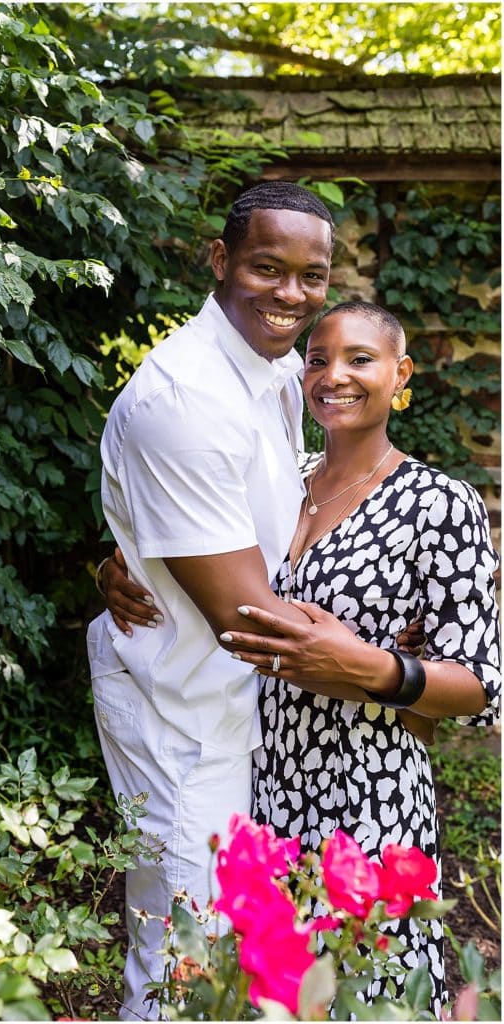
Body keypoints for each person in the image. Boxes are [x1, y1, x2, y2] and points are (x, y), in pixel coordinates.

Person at [104, 301, 501, 1013]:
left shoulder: (439, 503)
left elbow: (479, 684)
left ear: (400, 374)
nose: (333, 376)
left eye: (360, 359)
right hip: (258, 778)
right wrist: (127, 566)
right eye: (318, 359)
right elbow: (197, 543)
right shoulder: (283, 479)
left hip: (367, 795)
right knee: (267, 993)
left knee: (364, 992)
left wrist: (369, 667)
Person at [87, 180, 339, 1019]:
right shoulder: (185, 399)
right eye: (268, 267)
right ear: (221, 260)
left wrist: (132, 561)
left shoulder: (268, 374)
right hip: (184, 716)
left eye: (313, 276)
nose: (292, 295)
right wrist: (408, 672)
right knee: (183, 959)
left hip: (236, 708)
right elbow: (247, 618)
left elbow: (248, 525)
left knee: (224, 951)